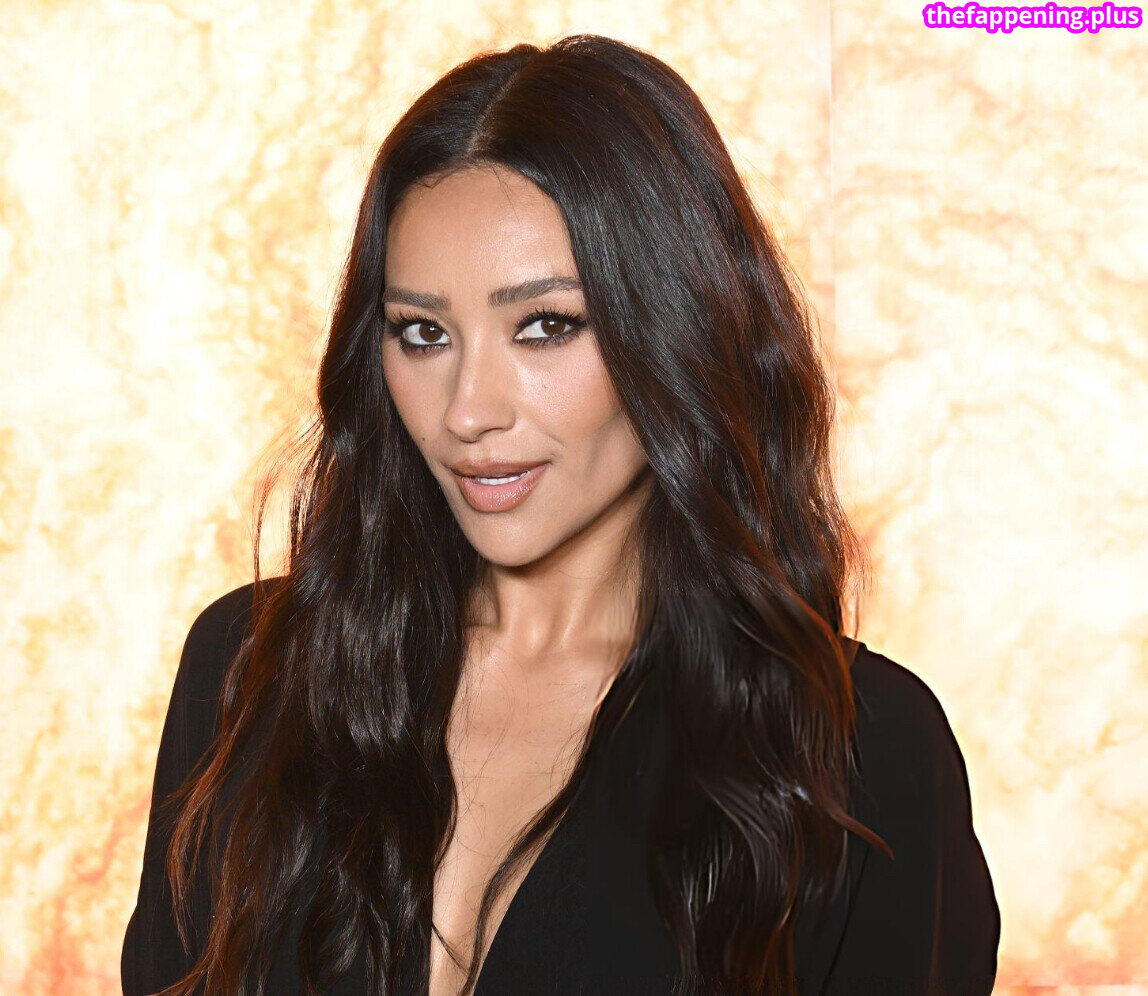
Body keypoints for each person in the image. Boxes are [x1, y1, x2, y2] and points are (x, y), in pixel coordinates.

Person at [121, 32, 1000, 996]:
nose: (468, 411)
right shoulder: (250, 673)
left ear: (677, 328)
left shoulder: (861, 754)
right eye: (423, 333)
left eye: (545, 326)